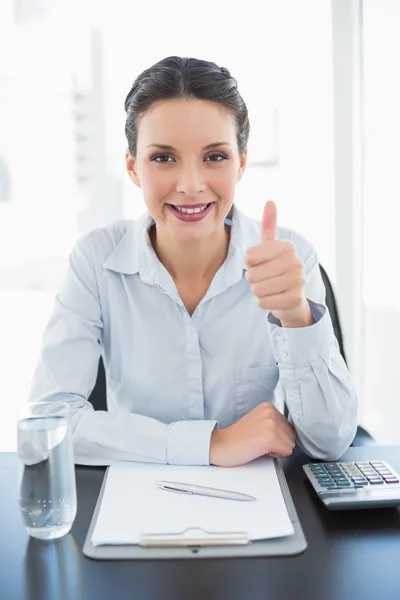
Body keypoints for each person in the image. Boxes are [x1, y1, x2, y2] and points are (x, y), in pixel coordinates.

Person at [29, 56, 358, 467]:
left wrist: (296, 317)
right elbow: (47, 426)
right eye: (163, 158)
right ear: (133, 168)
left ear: (241, 163)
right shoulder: (96, 260)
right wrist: (210, 444)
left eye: (215, 157)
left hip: (257, 502)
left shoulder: (290, 256)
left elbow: (332, 443)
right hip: (136, 500)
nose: (189, 185)